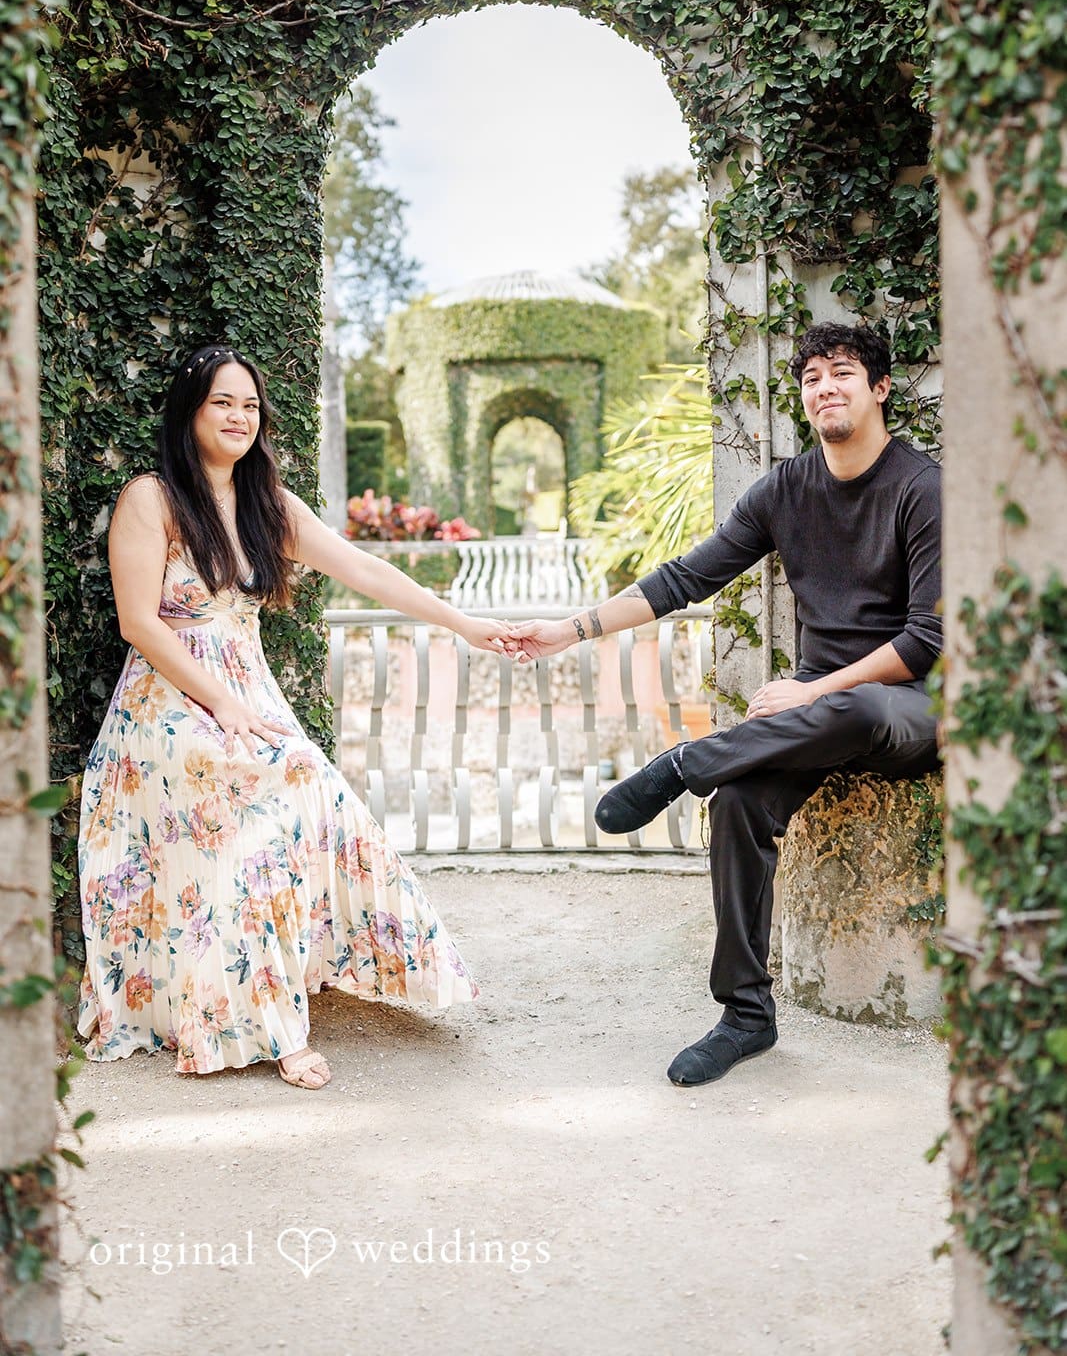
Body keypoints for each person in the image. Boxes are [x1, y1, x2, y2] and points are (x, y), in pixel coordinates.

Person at [510, 322, 941, 1087]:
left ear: (878, 389)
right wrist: (567, 631)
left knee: (861, 708)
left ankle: (683, 762)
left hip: (908, 707)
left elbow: (924, 643)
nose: (824, 387)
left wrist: (811, 689)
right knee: (739, 799)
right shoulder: (786, 487)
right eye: (810, 377)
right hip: (817, 716)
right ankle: (745, 1015)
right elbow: (684, 579)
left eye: (842, 372)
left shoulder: (921, 488)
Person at [77, 344, 513, 1089]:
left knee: (313, 795)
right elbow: (139, 623)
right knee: (257, 805)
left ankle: (310, 978)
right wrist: (220, 703)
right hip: (168, 701)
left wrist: (462, 622)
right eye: (222, 402)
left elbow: (365, 568)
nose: (238, 417)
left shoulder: (266, 502)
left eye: (249, 405)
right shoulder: (150, 498)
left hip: (248, 690)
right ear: (190, 412)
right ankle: (269, 1026)